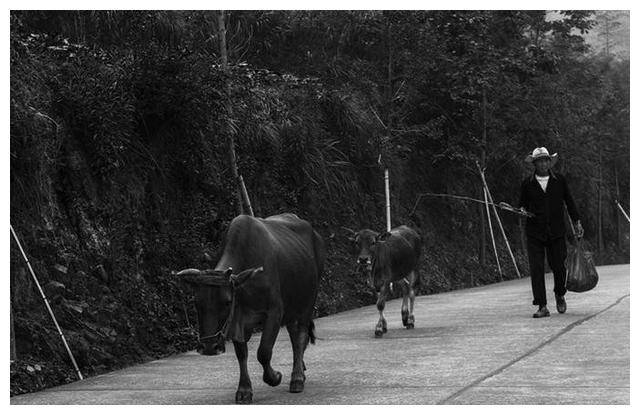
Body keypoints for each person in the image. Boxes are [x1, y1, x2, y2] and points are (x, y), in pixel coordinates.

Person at [519, 147, 583, 318]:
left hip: (556, 231)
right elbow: (522, 204)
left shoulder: (559, 180)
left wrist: (577, 221)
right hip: (535, 232)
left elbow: (569, 201)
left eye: (545, 160)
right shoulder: (527, 183)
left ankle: (560, 294)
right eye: (539, 161)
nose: (543, 163)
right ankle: (542, 305)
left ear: (549, 162)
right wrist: (523, 210)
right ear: (534, 164)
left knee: (559, 267)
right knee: (537, 268)